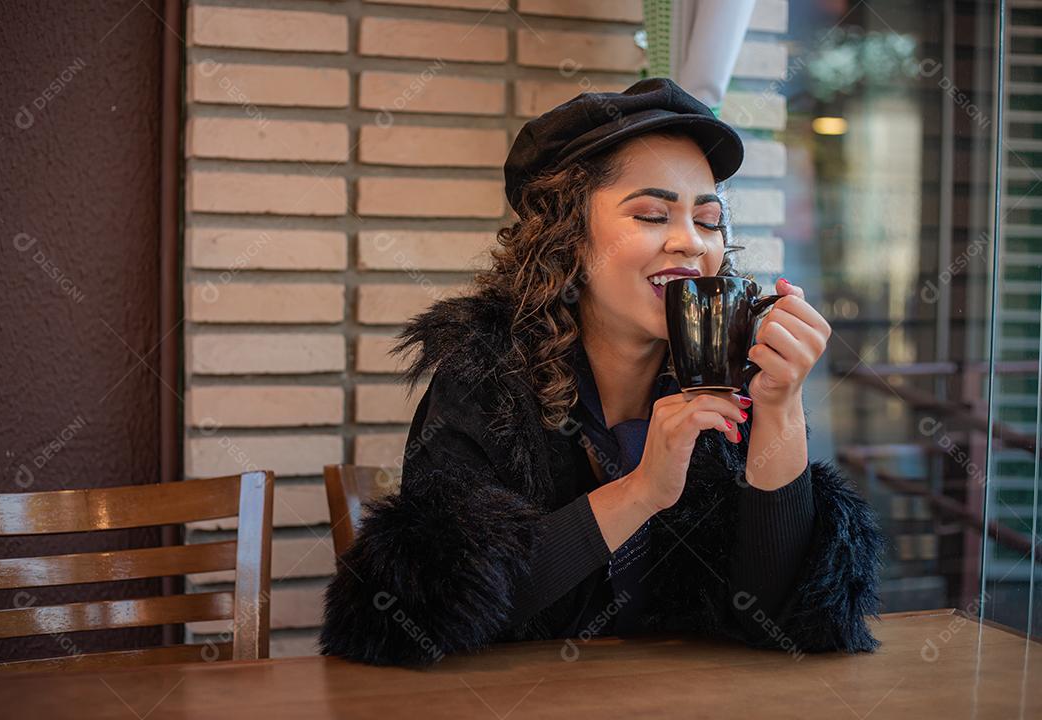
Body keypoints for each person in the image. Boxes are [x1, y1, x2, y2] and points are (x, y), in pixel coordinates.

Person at [318, 77, 885, 667]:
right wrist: (640, 492)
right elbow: (434, 615)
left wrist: (780, 406)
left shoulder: (729, 378)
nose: (690, 242)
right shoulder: (485, 376)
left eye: (709, 219)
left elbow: (784, 620)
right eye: (651, 213)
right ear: (566, 239)